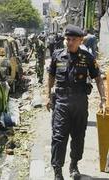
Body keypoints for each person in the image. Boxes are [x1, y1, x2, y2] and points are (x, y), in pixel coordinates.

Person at [46, 24, 106, 180]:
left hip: (80, 103)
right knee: (59, 137)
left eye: (73, 39)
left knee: (78, 136)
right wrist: (47, 96)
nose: (70, 42)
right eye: (68, 39)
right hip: (61, 102)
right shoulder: (57, 56)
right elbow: (51, 76)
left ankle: (74, 165)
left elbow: (98, 79)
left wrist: (103, 99)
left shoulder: (87, 58)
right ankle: (57, 170)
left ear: (80, 40)